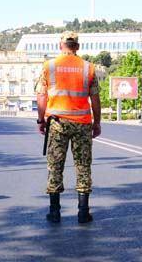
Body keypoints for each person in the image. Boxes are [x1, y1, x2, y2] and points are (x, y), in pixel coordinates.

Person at [36, 31, 101, 224]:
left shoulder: (49, 67)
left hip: (57, 124)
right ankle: (83, 212)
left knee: (55, 166)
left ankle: (54, 212)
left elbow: (41, 96)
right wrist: (97, 123)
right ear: (78, 47)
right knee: (83, 166)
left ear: (60, 45)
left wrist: (41, 120)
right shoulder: (88, 68)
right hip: (82, 124)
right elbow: (95, 99)